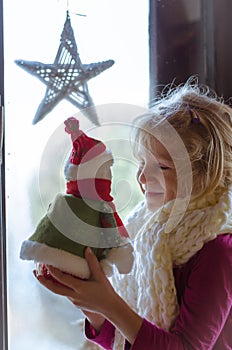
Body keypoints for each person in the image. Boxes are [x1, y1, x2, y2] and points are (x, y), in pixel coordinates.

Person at [34, 80, 232, 350]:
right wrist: (92, 306)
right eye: (141, 163)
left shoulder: (218, 251)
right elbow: (129, 342)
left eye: (161, 167)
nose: (141, 177)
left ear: (206, 174)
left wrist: (109, 304)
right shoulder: (145, 233)